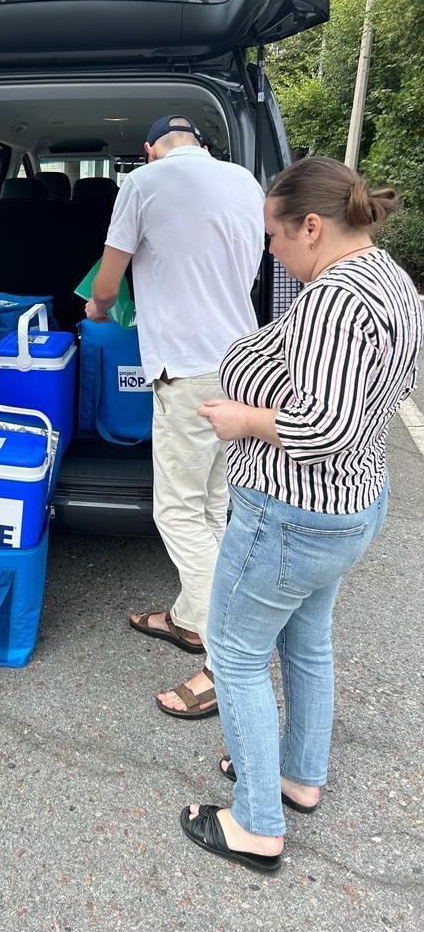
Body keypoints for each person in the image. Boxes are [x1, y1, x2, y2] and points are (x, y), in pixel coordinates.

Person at [181, 157, 423, 873]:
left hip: (290, 512)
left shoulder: (333, 300)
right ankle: (296, 776)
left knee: (233, 652)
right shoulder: (392, 283)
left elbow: (323, 428)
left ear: (311, 226)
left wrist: (242, 420)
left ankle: (256, 822)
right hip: (349, 505)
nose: (270, 251)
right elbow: (385, 393)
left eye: (275, 237)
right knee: (304, 643)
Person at [86, 115, 264, 717]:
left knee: (178, 510)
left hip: (186, 370)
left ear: (150, 149)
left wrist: (97, 309)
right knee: (215, 503)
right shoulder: (245, 181)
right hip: (245, 361)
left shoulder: (142, 183)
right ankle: (190, 619)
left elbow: (108, 282)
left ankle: (225, 661)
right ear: (202, 144)